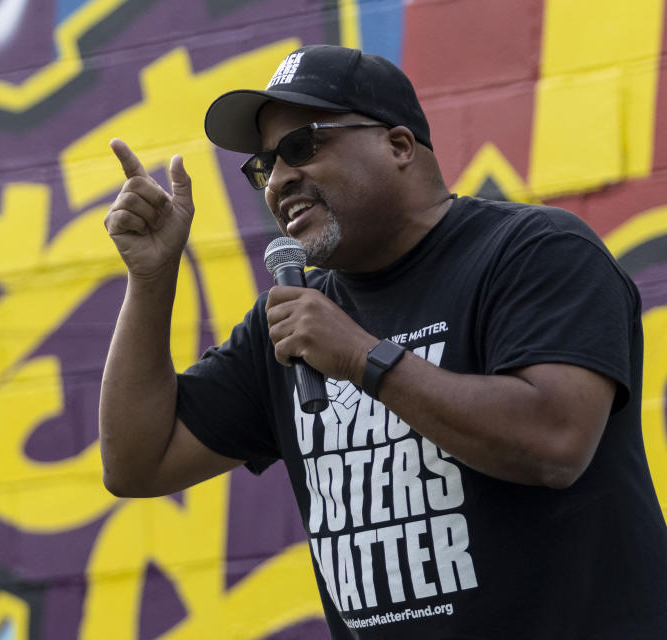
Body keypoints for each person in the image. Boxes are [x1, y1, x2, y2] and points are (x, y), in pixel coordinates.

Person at [98, 44, 667, 638]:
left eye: (302, 146)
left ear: (398, 146)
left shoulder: (534, 251)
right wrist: (153, 278)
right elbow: (138, 463)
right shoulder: (294, 320)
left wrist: (362, 358)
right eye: (264, 166)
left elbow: (554, 442)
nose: (280, 180)